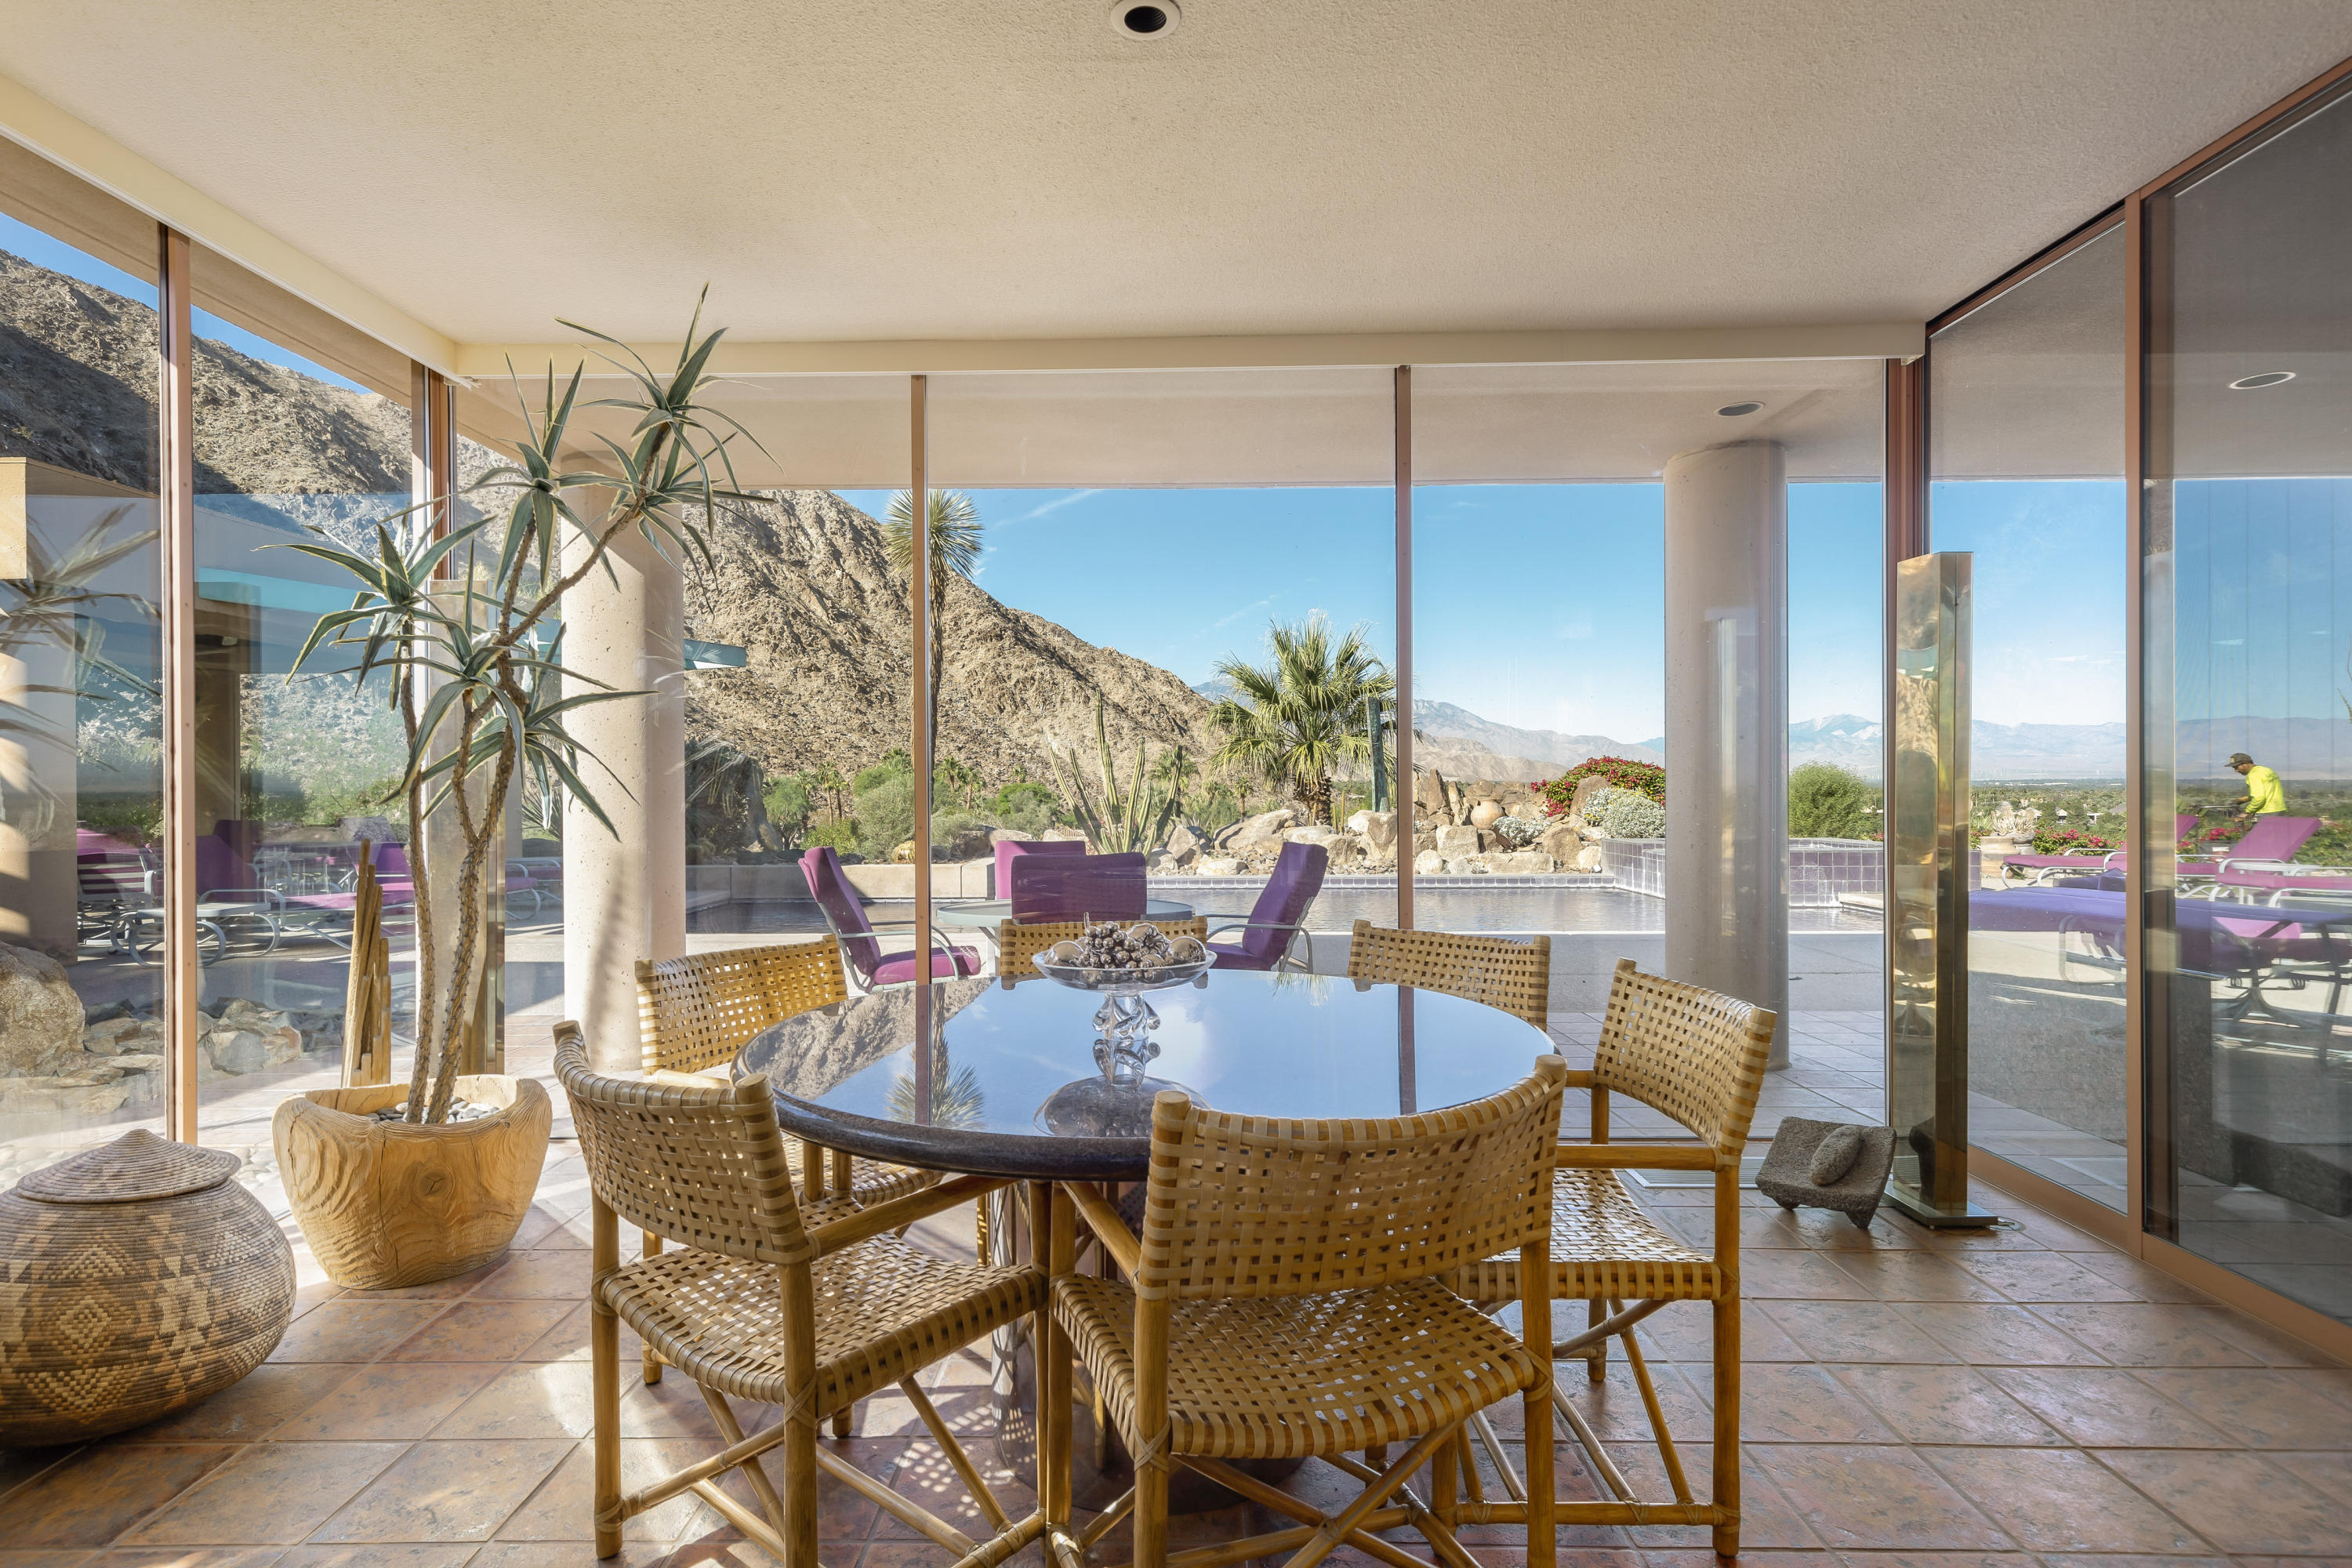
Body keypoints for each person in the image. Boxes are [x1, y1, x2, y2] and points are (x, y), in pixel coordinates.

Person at [2230, 752, 2285, 818]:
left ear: (2245, 763)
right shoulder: (2267, 770)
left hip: (2265, 812)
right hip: (2279, 810)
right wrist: (2241, 800)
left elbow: (2259, 798)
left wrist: (2248, 812)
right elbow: (2267, 793)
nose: (2236, 770)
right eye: (2234, 768)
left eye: (2236, 767)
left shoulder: (2253, 775)